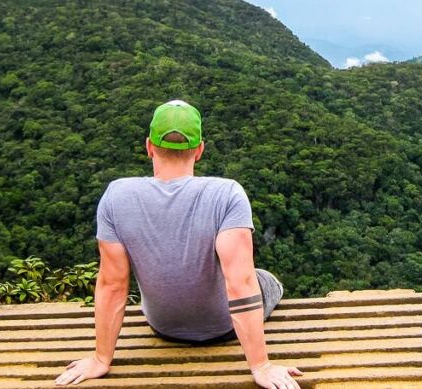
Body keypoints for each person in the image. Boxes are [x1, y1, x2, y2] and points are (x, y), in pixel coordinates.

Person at [55, 100, 303, 389]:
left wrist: (100, 359)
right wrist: (260, 366)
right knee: (265, 279)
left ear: (149, 146)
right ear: (199, 150)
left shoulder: (116, 196)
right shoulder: (227, 194)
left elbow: (112, 284)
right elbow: (241, 283)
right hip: (222, 327)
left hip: (163, 325)